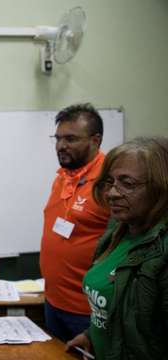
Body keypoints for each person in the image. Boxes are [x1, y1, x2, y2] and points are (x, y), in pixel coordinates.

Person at [67, 137, 168, 360]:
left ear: (161, 188)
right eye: (110, 182)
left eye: (127, 183)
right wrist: (92, 335)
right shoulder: (118, 229)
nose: (112, 193)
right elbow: (117, 311)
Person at [39, 104, 110, 341]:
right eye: (58, 138)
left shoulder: (110, 182)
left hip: (88, 311)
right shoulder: (64, 177)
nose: (61, 146)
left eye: (70, 139)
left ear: (95, 140)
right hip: (53, 301)